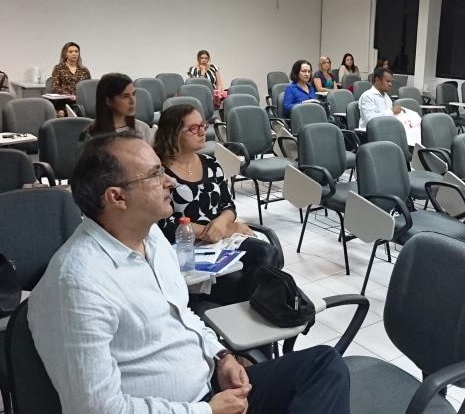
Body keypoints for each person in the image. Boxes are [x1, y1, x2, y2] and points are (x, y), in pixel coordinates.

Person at [28, 132, 349, 414]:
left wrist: (221, 357)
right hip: (189, 407)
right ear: (117, 197)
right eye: (155, 175)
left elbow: (182, 315)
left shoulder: (151, 237)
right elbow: (96, 409)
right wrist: (206, 411)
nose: (170, 181)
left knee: (323, 365)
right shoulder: (77, 285)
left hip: (209, 389)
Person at [152, 105, 282, 304]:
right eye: (193, 128)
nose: (202, 132)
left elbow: (228, 206)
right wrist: (224, 230)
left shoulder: (211, 163)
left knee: (267, 253)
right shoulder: (160, 173)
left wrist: (222, 224)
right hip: (184, 246)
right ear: (173, 133)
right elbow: (162, 224)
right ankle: (242, 305)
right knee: (253, 271)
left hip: (219, 240)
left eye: (203, 125)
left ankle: (249, 306)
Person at [84, 73, 151, 141]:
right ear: (109, 101)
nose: (132, 101)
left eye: (133, 94)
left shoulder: (143, 128)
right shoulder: (92, 134)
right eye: (125, 96)